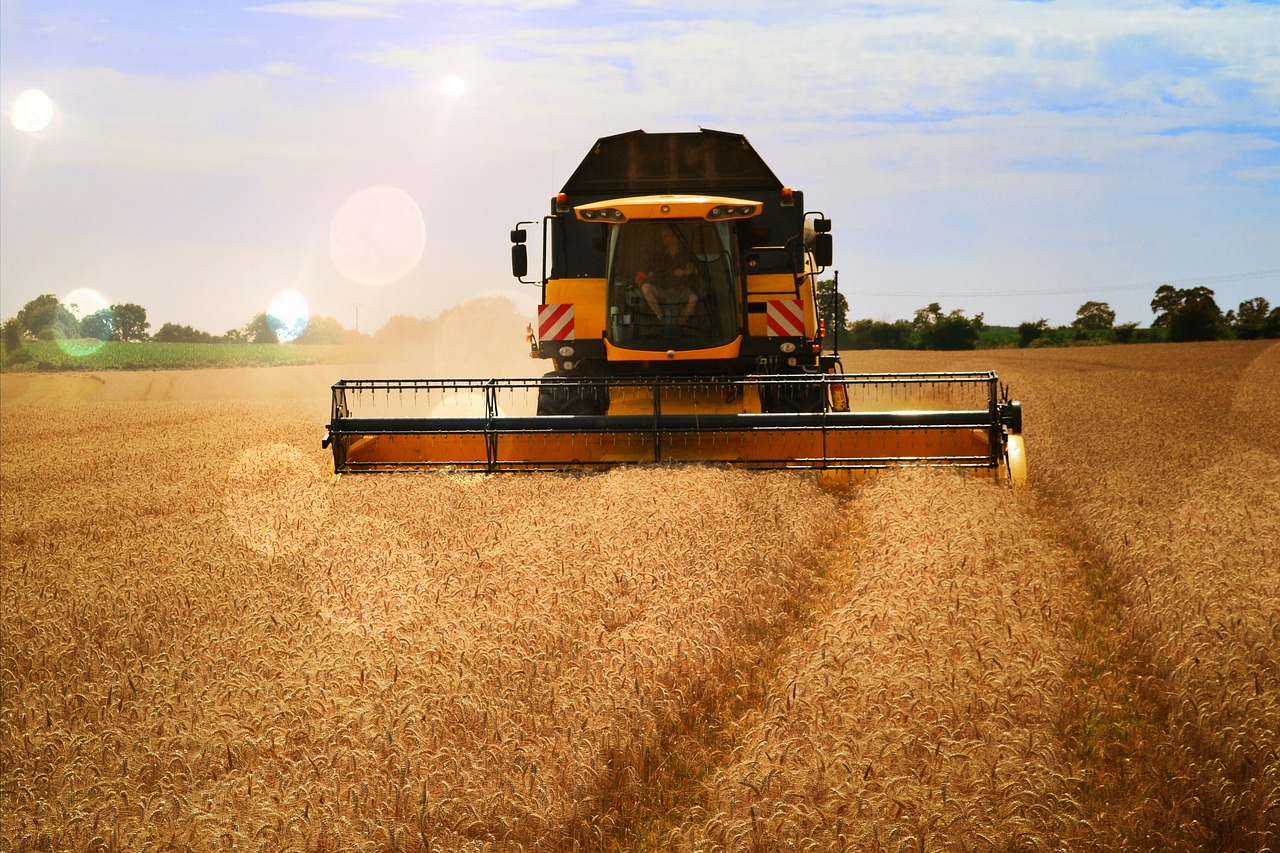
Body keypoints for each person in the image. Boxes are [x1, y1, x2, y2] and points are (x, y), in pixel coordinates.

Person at [636, 227, 697, 329]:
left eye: (666, 236)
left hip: (681, 291)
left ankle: (680, 323)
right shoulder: (660, 255)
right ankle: (661, 319)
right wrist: (642, 279)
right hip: (663, 291)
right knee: (646, 288)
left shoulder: (685, 253)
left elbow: (691, 268)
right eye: (662, 237)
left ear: (675, 237)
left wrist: (684, 272)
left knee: (693, 298)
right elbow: (652, 274)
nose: (664, 239)